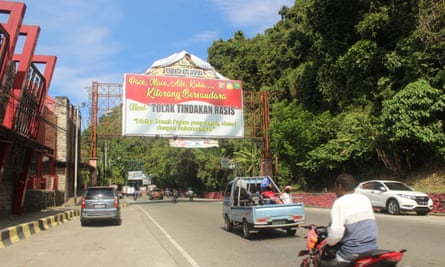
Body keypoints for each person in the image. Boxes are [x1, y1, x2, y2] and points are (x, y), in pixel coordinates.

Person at [320, 173, 378, 267]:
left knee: (324, 262)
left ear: (339, 186)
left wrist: (328, 242)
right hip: (372, 249)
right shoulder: (364, 199)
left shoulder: (340, 202)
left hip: (352, 252)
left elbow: (336, 233)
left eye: (335, 187)